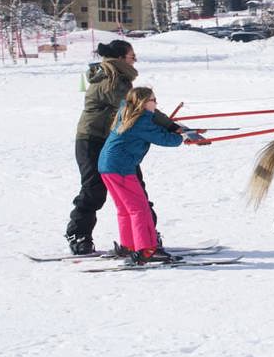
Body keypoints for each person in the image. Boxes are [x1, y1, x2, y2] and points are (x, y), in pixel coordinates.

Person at [66, 39, 186, 255]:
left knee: (134, 190)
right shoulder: (111, 80)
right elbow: (138, 110)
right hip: (94, 140)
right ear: (120, 58)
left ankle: (145, 235)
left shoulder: (116, 76)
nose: (135, 61)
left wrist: (169, 126)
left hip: (117, 143)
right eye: (132, 56)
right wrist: (171, 126)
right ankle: (79, 234)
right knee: (94, 190)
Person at [97, 87, 191, 264]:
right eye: (153, 100)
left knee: (126, 209)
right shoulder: (140, 120)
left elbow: (156, 130)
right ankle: (147, 249)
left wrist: (174, 131)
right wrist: (183, 137)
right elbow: (163, 139)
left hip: (107, 166)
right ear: (142, 103)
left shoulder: (127, 113)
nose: (156, 103)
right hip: (121, 167)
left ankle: (129, 245)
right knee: (139, 208)